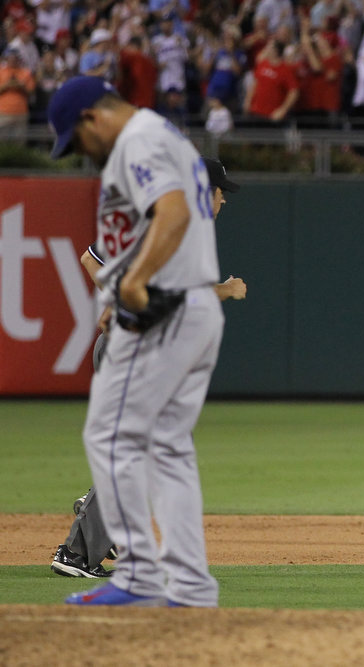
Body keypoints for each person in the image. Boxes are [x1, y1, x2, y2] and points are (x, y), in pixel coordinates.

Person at [47, 76, 224, 606]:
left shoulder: (139, 140)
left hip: (162, 313)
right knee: (167, 448)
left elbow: (173, 210)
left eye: (76, 140)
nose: (80, 152)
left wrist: (132, 281)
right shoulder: (161, 134)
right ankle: (190, 584)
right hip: (190, 310)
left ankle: (140, 577)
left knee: (111, 436)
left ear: (91, 118)